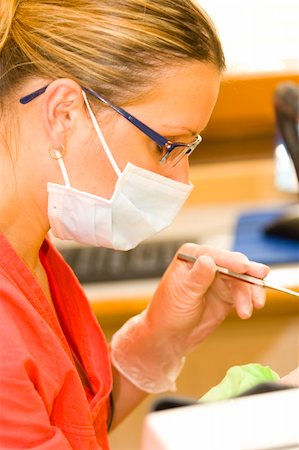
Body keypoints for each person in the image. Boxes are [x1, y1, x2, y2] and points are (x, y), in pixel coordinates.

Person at [0, 0, 296, 448]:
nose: (181, 178)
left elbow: (68, 426)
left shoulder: (33, 252)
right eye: (167, 146)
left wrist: (156, 339)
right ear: (64, 113)